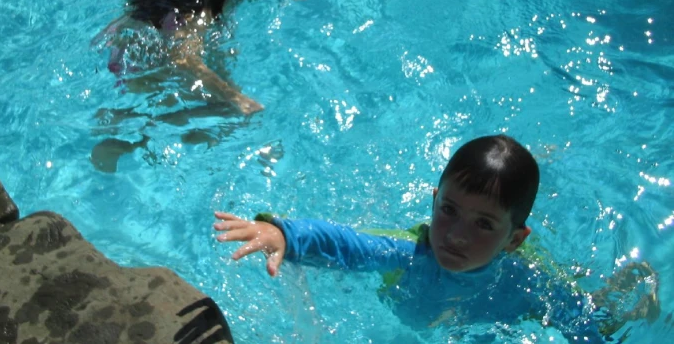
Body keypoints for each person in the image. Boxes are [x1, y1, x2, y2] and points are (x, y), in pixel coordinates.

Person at [213, 135, 659, 341]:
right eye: (448, 211)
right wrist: (282, 232)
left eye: (484, 224)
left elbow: (583, 328)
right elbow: (346, 242)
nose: (457, 237)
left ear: (514, 240)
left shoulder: (527, 279)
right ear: (433, 202)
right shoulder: (410, 251)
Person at [91, 0, 287, 171]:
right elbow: (183, 59)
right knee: (231, 112)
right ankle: (126, 137)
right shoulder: (200, 7)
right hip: (137, 64)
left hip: (144, 39)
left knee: (226, 105)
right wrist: (237, 100)